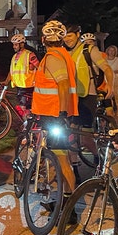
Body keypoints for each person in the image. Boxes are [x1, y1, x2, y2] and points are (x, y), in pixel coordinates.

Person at [32, 20, 79, 221]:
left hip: (54, 115)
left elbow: (62, 84)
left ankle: (70, 210)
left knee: (62, 161)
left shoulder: (53, 57)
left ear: (43, 39)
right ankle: (64, 201)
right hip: (55, 114)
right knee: (61, 161)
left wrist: (60, 113)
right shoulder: (65, 55)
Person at [3, 33, 38, 118]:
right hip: (19, 86)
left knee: (25, 108)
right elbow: (12, 71)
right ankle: (27, 125)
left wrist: (32, 67)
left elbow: (39, 67)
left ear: (22, 44)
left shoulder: (30, 55)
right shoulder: (14, 56)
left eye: (16, 45)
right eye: (13, 45)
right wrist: (6, 81)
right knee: (24, 109)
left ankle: (28, 127)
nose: (14, 47)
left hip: (28, 86)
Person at [105, 45, 118, 116]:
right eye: (110, 50)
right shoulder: (104, 59)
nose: (111, 52)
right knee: (108, 95)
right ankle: (110, 110)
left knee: (116, 95)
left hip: (115, 79)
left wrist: (111, 71)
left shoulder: (117, 60)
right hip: (106, 79)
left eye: (113, 51)